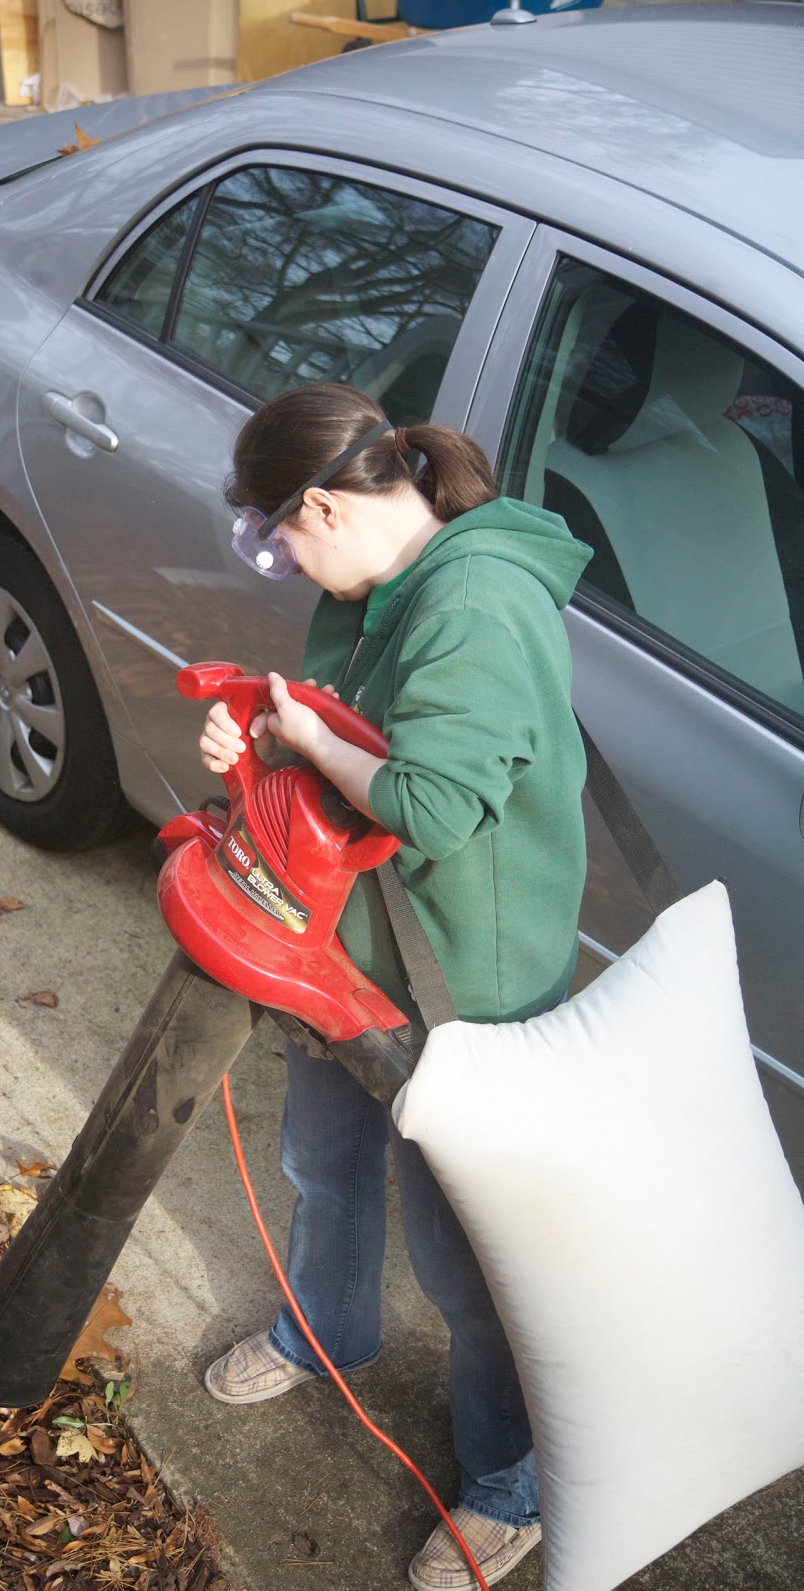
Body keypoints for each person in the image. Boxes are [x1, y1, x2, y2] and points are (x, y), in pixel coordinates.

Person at [197, 383, 592, 1591]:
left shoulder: (472, 603)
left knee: (466, 1264)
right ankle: (325, 1333)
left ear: (318, 500)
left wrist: (307, 745)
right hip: (346, 957)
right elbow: (353, 736)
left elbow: (426, 800)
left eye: (279, 536)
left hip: (455, 989)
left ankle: (505, 1482)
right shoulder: (375, 586)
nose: (285, 563)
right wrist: (264, 749)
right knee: (322, 1167)